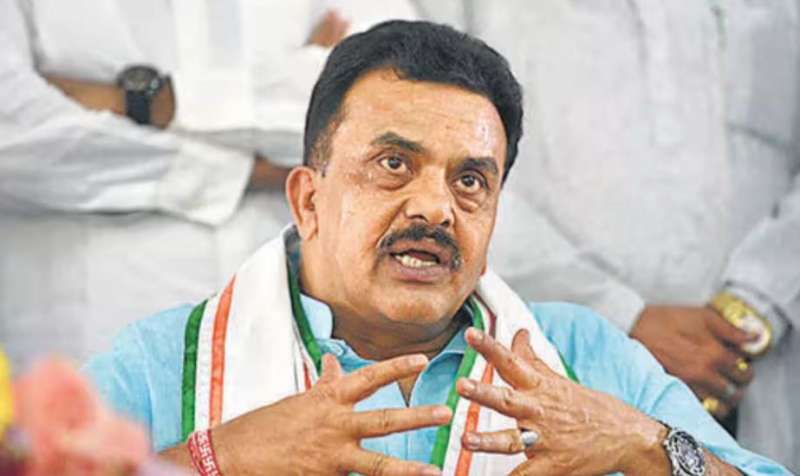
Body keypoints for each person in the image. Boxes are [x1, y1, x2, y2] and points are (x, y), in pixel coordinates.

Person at [84, 20, 788, 475]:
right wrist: (221, 457)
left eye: (470, 180)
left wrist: (643, 444)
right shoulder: (164, 362)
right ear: (308, 200)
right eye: (393, 164)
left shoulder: (582, 356)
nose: (435, 208)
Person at [416, 0, 800, 469]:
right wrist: (621, 316)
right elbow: (435, 153)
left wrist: (757, 302)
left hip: (761, 358)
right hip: (563, 348)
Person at [0, 0, 417, 370]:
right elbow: (14, 139)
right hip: (90, 346)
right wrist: (251, 169)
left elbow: (401, 105)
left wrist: (155, 101)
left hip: (292, 345)